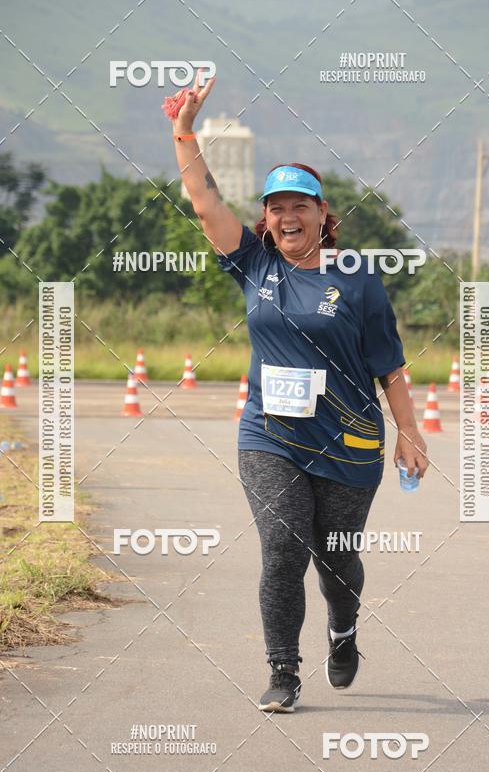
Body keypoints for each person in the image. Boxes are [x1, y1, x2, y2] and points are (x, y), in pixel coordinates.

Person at [164, 71, 429, 713]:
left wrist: (410, 433)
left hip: (349, 439)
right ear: (266, 218)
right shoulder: (254, 262)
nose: (287, 215)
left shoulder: (358, 276)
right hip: (269, 434)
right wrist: (183, 130)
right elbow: (203, 201)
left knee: (337, 564)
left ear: (321, 215)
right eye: (276, 206)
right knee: (282, 550)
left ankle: (344, 632)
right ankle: (283, 671)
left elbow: (390, 364)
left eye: (300, 205)